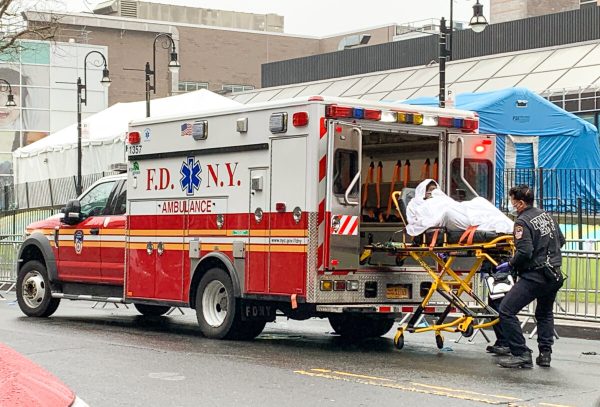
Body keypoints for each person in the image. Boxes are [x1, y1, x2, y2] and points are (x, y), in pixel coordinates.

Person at [495, 184, 565, 369]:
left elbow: (525, 251)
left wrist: (510, 264)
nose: (511, 205)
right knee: (544, 312)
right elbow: (561, 240)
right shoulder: (547, 216)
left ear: (519, 203)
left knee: (506, 310)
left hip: (535, 275)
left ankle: (521, 353)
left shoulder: (522, 222)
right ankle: (545, 354)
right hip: (554, 274)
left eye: (511, 201)